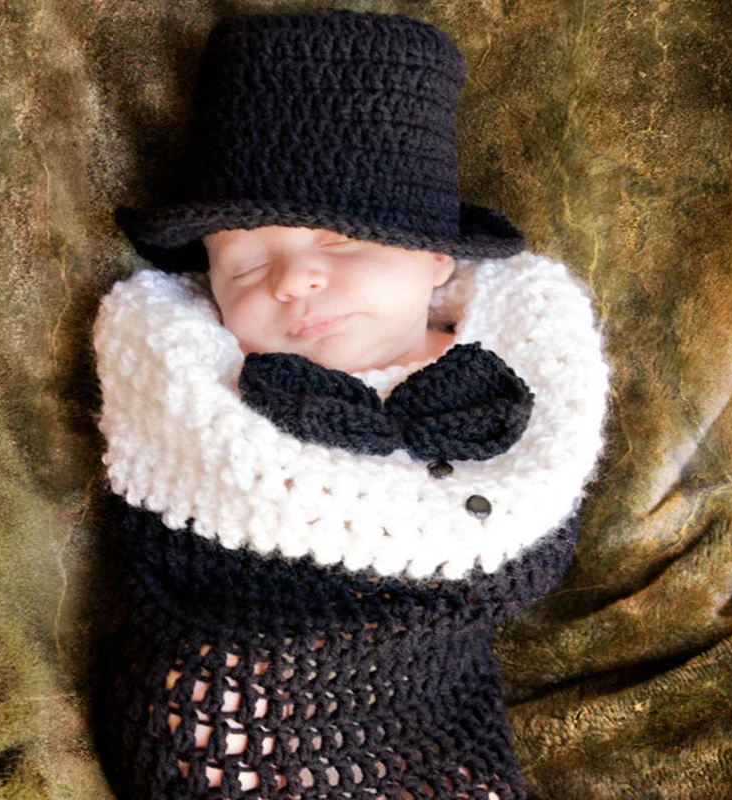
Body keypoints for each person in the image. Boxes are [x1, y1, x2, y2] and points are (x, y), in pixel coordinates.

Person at [93, 9, 610, 799]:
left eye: (340, 242)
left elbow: (525, 542)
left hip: (427, 699)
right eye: (247, 264)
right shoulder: (195, 376)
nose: (293, 280)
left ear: (436, 259)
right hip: (242, 674)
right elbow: (192, 525)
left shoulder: (509, 367)